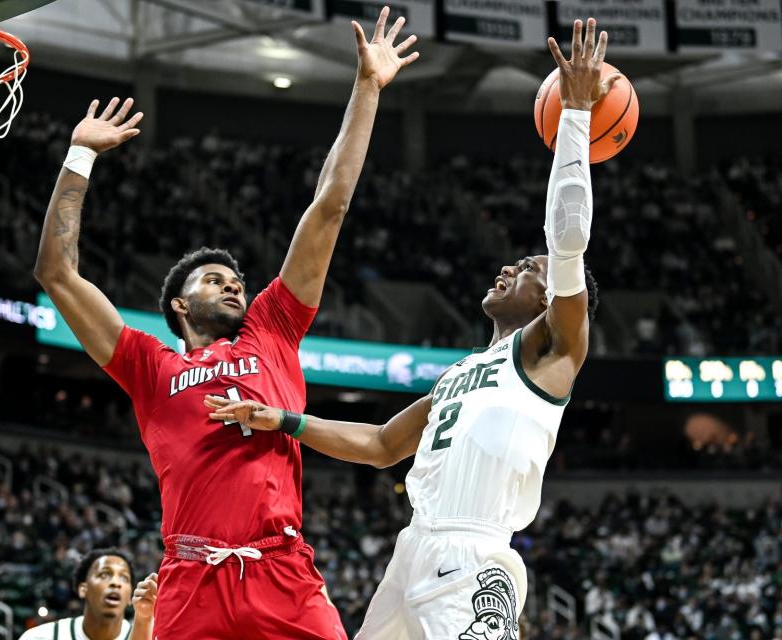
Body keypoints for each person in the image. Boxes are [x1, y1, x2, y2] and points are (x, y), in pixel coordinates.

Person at [204, 17, 616, 640]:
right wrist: (283, 421)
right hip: (413, 550)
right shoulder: (460, 375)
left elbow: (567, 239)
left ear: (555, 298)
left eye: (529, 269)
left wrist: (577, 119)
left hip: (474, 558)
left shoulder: (553, 349)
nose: (510, 266)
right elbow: (379, 446)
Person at [33, 7, 419, 639]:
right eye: (212, 279)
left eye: (235, 277)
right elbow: (57, 273)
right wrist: (78, 156)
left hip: (282, 573)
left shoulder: (272, 328)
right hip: (190, 585)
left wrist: (367, 90)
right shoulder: (149, 366)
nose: (233, 282)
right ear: (179, 307)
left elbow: (330, 206)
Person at [19, 549, 156, 640]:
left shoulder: (147, 635)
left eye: (124, 578)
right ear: (83, 588)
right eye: (104, 574)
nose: (116, 583)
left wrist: (144, 619)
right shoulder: (40, 637)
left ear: (129, 597)